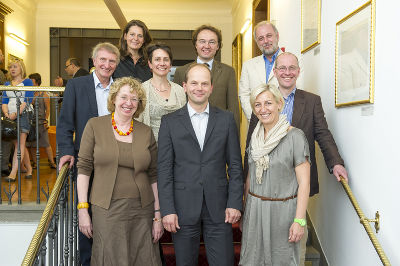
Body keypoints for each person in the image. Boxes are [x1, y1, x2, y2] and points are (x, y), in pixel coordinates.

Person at [244, 52, 348, 265]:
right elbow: (251, 149)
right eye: (282, 68)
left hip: (292, 183)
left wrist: (335, 162)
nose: (287, 72)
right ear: (275, 72)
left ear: (298, 71)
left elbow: (323, 134)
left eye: (292, 68)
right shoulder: (262, 101)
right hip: (264, 185)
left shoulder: (310, 101)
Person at [158, 63, 243, 266]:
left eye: (205, 83)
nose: (199, 88)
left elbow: (235, 166)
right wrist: (167, 209)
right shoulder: (169, 122)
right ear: (185, 86)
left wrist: (234, 202)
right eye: (194, 83)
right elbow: (164, 170)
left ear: (211, 88)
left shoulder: (226, 119)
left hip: (220, 207)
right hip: (182, 207)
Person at [77, 77, 162, 265]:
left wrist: (157, 215)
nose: (129, 103)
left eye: (134, 99)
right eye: (124, 97)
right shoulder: (94, 126)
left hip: (142, 210)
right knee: (110, 258)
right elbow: (84, 169)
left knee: (143, 258)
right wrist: (83, 209)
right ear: (114, 98)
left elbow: (153, 175)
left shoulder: (146, 132)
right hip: (106, 209)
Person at [57, 42, 120, 266]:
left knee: (113, 215)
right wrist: (66, 151)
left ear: (116, 64)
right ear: (94, 62)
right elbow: (65, 123)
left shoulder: (120, 88)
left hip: (117, 163)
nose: (107, 65)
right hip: (87, 163)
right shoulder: (77, 86)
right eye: (102, 60)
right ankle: (87, 261)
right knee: (87, 217)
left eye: (112, 61)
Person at [240, 83, 310, 265]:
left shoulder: (295, 136)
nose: (263, 109)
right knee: (251, 260)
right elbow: (250, 177)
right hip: (254, 211)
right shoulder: (254, 137)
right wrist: (246, 211)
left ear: (279, 103)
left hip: (283, 214)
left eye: (268, 103)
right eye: (258, 104)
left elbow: (304, 183)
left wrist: (299, 220)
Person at [173, 25, 240, 129]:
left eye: (212, 42)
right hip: (188, 131)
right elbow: (176, 107)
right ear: (195, 44)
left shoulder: (228, 72)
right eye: (202, 41)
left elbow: (233, 109)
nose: (207, 46)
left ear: (218, 46)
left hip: (219, 132)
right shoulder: (181, 72)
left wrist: (234, 141)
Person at [139, 43, 186, 140]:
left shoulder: (180, 90)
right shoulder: (141, 90)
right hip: (151, 148)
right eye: (157, 59)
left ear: (170, 64)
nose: (162, 63)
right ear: (150, 64)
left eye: (166, 59)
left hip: (177, 148)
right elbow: (137, 124)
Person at [239, 21, 284, 122]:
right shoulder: (248, 66)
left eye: (269, 36)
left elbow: (296, 93)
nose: (265, 41)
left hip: (284, 123)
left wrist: (279, 121)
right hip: (256, 125)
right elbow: (244, 95)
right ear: (257, 42)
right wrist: (257, 119)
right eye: (261, 38)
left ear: (277, 36)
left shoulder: (292, 62)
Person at [1, 59, 34, 181]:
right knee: (18, 144)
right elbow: (4, 101)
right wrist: (6, 113)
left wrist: (15, 113)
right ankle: (29, 168)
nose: (12, 69)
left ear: (21, 68)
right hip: (9, 115)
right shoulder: (7, 84)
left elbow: (27, 100)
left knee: (20, 143)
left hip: (23, 114)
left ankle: (13, 174)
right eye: (10, 67)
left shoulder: (27, 82)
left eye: (15, 66)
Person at [27, 73, 56, 169]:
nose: (30, 82)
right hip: (30, 122)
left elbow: (48, 109)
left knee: (46, 143)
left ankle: (52, 162)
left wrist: (46, 120)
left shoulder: (44, 94)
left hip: (41, 122)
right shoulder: (29, 93)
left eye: (31, 80)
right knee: (31, 144)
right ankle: (35, 163)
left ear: (36, 81)